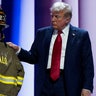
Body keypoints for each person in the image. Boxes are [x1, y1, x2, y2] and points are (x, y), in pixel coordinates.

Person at [7, 1, 94, 96]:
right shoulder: (42, 33)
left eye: (57, 17)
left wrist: (87, 87)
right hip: (46, 82)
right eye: (52, 16)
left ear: (67, 19)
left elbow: (87, 65)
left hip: (68, 83)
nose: (53, 19)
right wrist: (18, 50)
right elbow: (33, 57)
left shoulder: (81, 36)